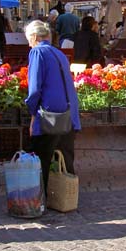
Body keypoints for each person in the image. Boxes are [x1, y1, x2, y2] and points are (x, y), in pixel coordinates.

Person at [25, 21, 81, 196]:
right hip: (68, 114)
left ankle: (39, 199)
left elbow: (34, 88)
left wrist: (32, 112)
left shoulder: (37, 52)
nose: (28, 43)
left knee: (41, 160)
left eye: (28, 39)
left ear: (34, 37)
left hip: (50, 115)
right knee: (66, 158)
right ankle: (68, 197)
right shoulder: (59, 53)